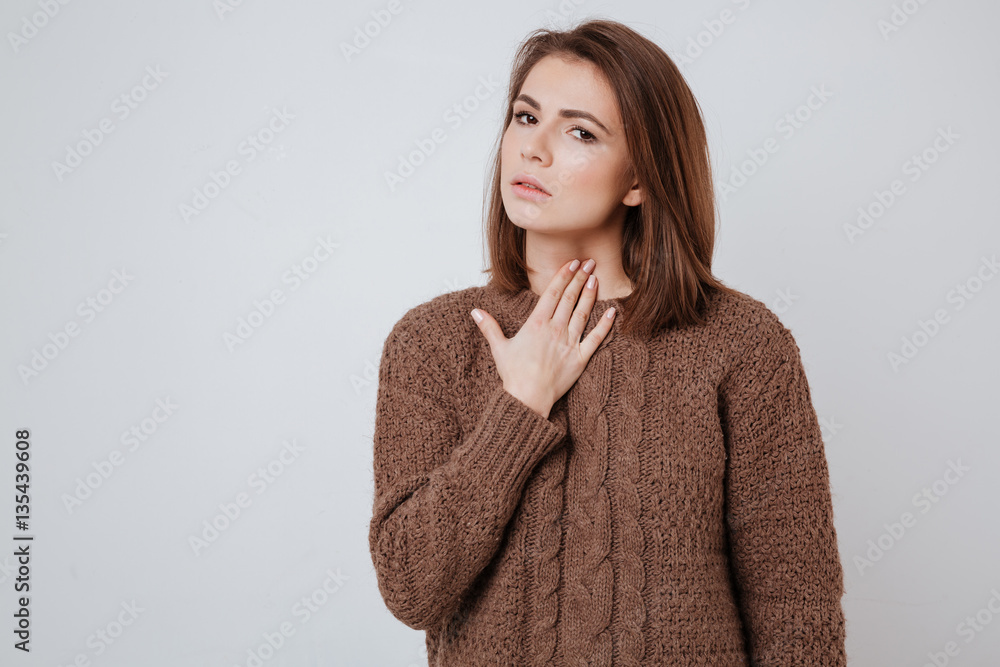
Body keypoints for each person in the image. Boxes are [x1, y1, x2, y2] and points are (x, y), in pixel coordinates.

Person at [369, 17, 848, 666]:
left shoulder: (741, 344)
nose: (533, 149)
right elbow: (410, 586)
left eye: (580, 131)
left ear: (639, 179)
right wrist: (520, 406)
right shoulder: (432, 342)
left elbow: (797, 609)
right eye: (524, 117)